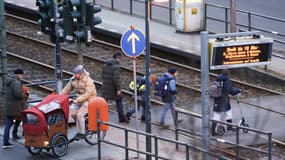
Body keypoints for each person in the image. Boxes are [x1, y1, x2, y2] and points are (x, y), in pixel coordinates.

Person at [60, 65, 97, 138]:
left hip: (90, 99)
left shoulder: (88, 81)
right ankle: (80, 129)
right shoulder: (73, 79)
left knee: (80, 115)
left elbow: (88, 93)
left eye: (77, 74)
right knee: (73, 114)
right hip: (79, 100)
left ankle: (82, 133)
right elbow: (67, 89)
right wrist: (59, 96)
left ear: (82, 73)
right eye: (74, 73)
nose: (75, 75)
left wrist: (77, 100)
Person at [211, 69, 241, 136]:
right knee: (228, 113)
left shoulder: (218, 79)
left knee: (216, 115)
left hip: (217, 101)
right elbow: (230, 91)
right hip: (224, 100)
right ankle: (229, 127)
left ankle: (212, 131)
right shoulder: (227, 81)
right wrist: (238, 90)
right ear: (228, 74)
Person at [101, 52, 129, 123]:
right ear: (117, 58)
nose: (120, 61)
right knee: (119, 100)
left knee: (104, 102)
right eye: (120, 59)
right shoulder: (116, 67)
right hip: (113, 88)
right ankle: (121, 118)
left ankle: (102, 117)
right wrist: (118, 89)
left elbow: (103, 76)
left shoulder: (105, 65)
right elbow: (116, 79)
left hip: (105, 87)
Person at [3, 69, 26, 149]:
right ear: (18, 75)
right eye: (22, 75)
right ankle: (26, 137)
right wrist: (24, 94)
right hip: (16, 107)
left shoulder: (8, 81)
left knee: (8, 125)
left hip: (9, 106)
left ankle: (6, 142)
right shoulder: (16, 82)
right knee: (24, 119)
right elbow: (18, 94)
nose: (22, 77)